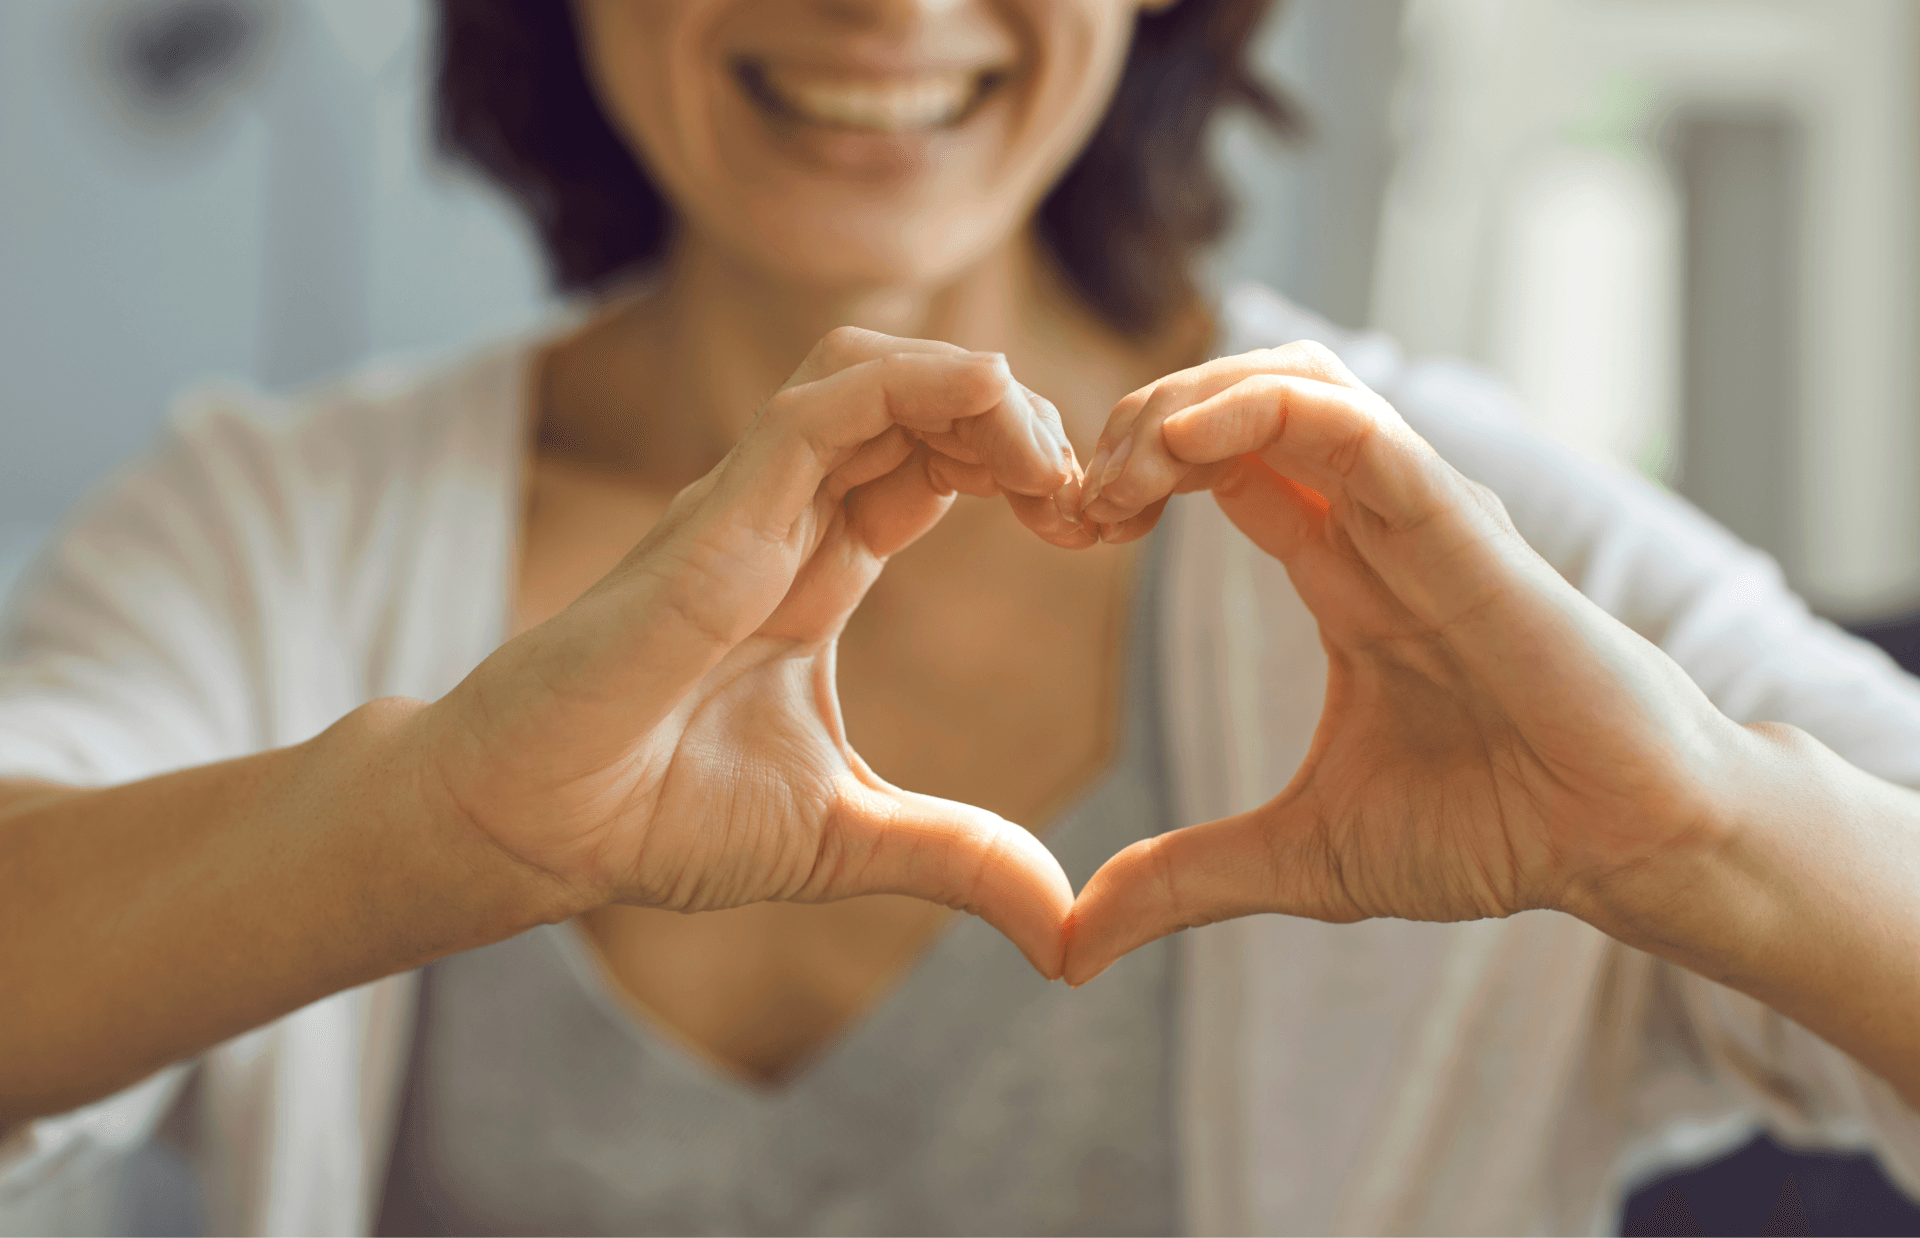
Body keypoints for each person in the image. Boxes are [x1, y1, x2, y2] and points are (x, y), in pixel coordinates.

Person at [2, 0, 1918, 1232]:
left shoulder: (1461, 526)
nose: (885, 6)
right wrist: (425, 825)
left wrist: (1696, 826)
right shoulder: (277, 525)